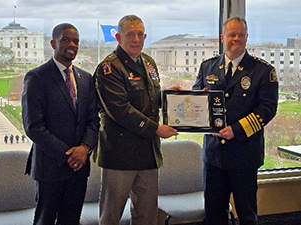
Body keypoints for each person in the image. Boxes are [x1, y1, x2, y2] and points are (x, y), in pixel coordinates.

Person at [192, 16, 278, 225]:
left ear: (247, 37)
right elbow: (195, 100)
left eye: (241, 34)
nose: (236, 38)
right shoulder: (208, 67)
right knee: (213, 214)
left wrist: (237, 130)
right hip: (214, 156)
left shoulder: (263, 71)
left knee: (247, 214)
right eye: (232, 34)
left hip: (244, 154)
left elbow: (267, 109)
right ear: (223, 37)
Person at [94, 15, 178, 225]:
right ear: (118, 37)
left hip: (147, 153)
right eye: (130, 34)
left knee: (146, 216)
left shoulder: (148, 62)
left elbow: (148, 99)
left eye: (140, 34)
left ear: (145, 36)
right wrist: (156, 129)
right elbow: (121, 110)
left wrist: (169, 97)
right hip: (119, 154)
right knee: (110, 216)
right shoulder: (109, 68)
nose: (136, 39)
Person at [22, 23, 100, 225]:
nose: (72, 44)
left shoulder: (86, 78)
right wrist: (69, 155)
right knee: (45, 221)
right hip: (50, 167)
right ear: (53, 43)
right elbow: (33, 126)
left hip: (79, 168)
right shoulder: (37, 77)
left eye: (76, 41)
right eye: (66, 39)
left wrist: (84, 149)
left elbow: (94, 120)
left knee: (71, 220)